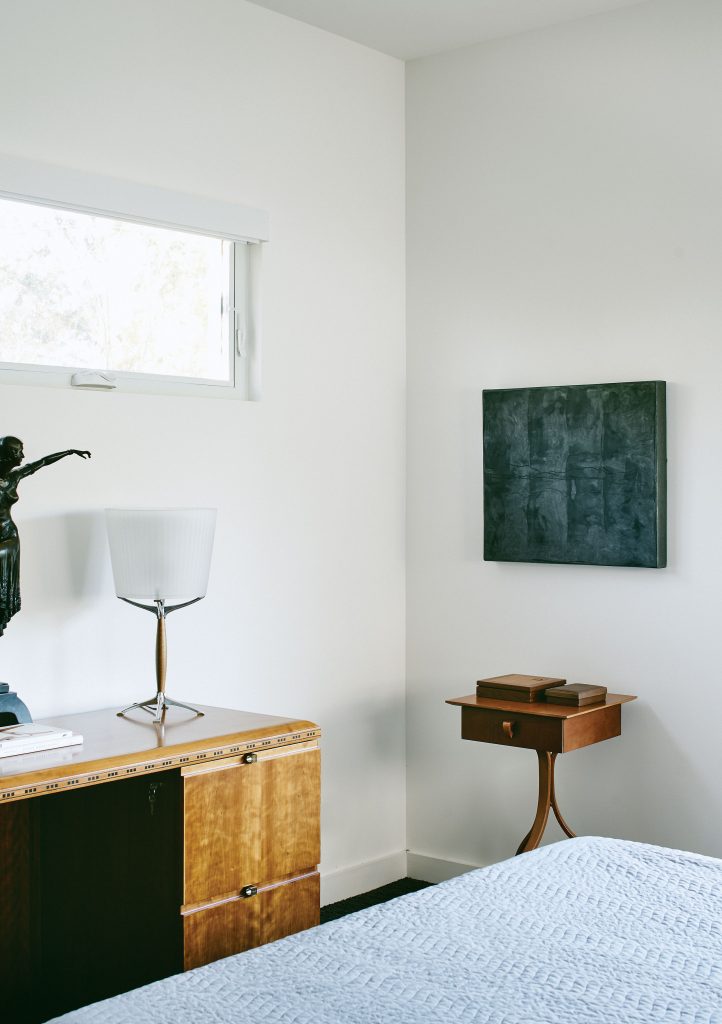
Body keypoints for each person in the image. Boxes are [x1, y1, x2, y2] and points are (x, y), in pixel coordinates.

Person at [0, 437, 91, 636]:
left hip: (9, 534)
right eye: (18, 452)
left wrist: (68, 452)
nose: (23, 456)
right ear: (5, 456)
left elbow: (40, 463)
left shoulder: (14, 477)